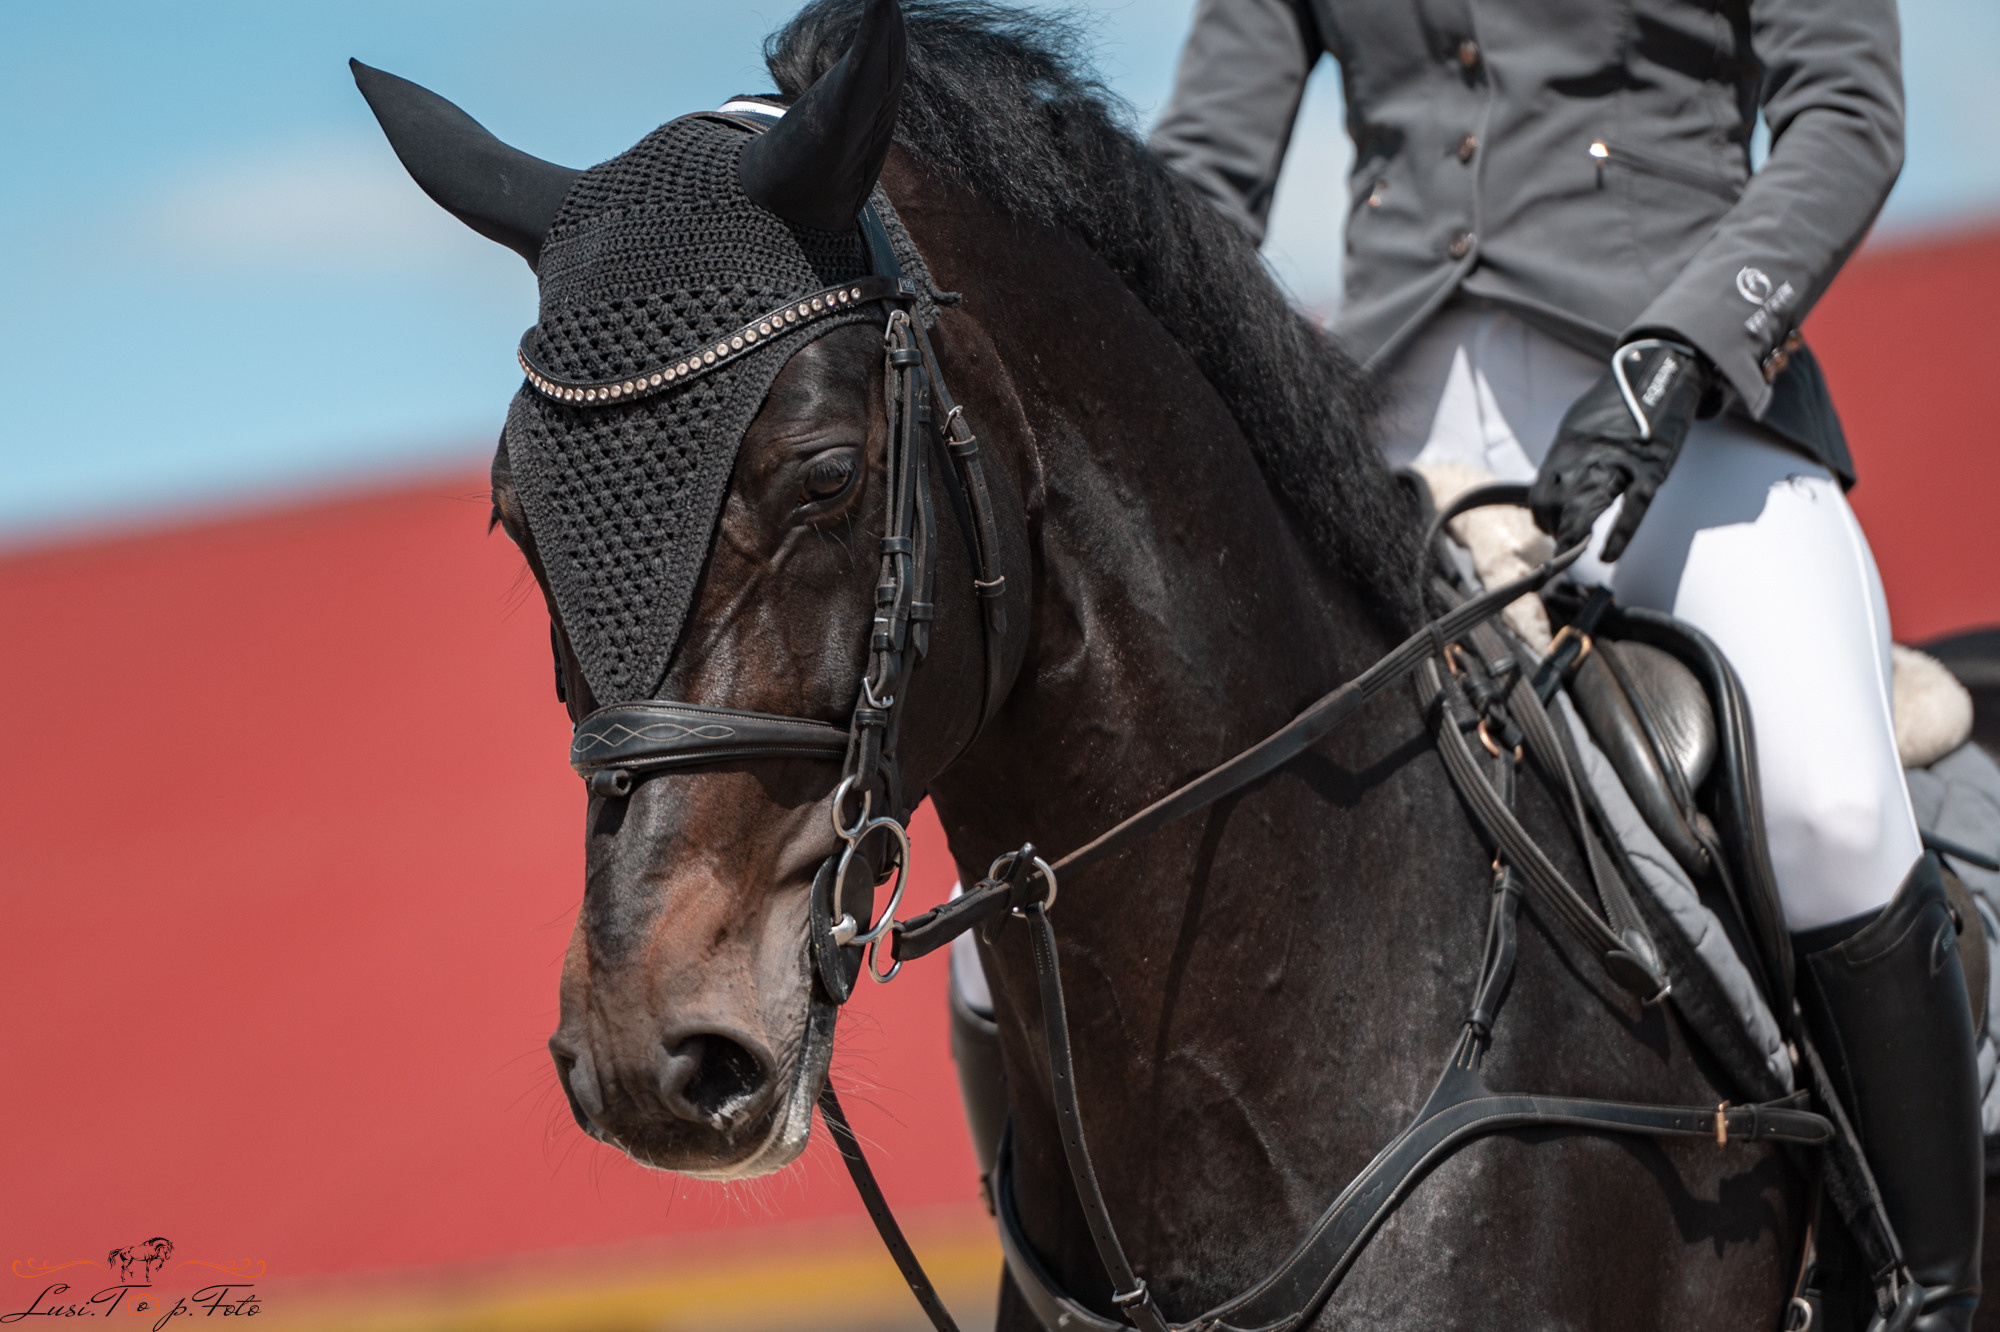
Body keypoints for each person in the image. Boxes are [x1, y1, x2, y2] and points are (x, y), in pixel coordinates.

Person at [1151, 0, 1980, 1325]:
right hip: (1384, 432)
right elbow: (1201, 168)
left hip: (1682, 400)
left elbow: (1846, 112)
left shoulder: (1685, 364)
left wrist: (1684, 349)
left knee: (1828, 807)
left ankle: (1926, 1296)